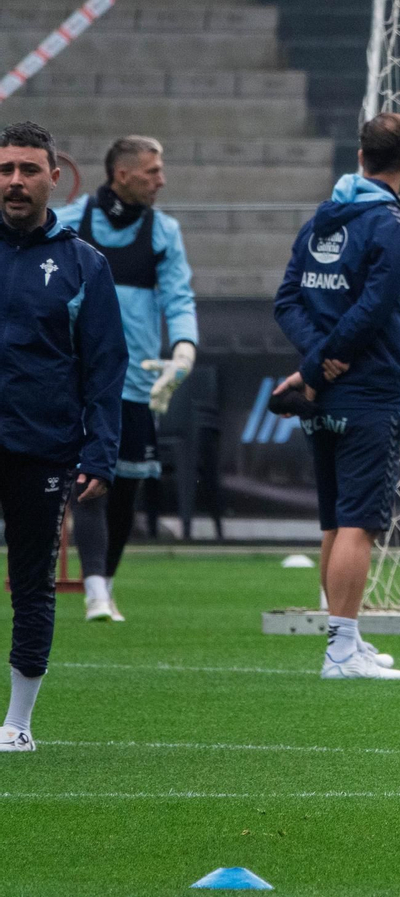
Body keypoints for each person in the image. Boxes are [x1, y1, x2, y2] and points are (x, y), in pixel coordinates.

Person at [272, 113, 400, 680]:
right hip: (367, 390)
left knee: (334, 519)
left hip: (324, 394)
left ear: (359, 157)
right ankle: (340, 652)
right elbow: (374, 308)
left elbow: (286, 301)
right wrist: (326, 361)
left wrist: (313, 367)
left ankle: (344, 640)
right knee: (360, 520)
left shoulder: (320, 221)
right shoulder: (392, 225)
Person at [0, 121, 126, 751]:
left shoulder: (83, 264)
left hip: (41, 446)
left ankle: (17, 724)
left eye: (27, 170)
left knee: (31, 582)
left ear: (55, 176)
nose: (14, 182)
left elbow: (106, 368)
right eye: (5, 170)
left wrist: (101, 450)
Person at [54, 135, 198, 622]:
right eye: (152, 170)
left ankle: (105, 586)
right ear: (122, 175)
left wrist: (184, 349)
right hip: (75, 378)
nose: (162, 179)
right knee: (86, 480)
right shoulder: (71, 224)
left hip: (136, 379)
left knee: (126, 486)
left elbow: (178, 297)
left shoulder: (165, 231)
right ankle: (94, 591)